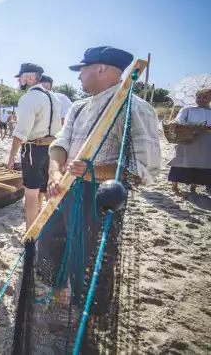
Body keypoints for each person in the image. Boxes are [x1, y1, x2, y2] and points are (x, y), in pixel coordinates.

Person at [44, 46, 161, 309]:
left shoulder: (134, 108)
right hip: (67, 189)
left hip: (100, 197)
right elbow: (60, 145)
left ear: (100, 69)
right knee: (48, 240)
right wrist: (54, 172)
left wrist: (94, 171)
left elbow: (143, 167)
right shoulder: (78, 107)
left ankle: (91, 312)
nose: (78, 77)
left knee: (91, 258)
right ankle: (59, 291)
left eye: (82, 70)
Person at [7, 63, 62, 230]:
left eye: (21, 78)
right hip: (52, 148)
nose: (20, 81)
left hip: (34, 149)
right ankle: (48, 228)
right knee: (46, 191)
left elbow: (21, 132)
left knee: (31, 193)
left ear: (30, 77)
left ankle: (31, 233)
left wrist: (11, 157)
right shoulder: (55, 98)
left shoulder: (29, 98)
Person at [167, 88, 211, 194]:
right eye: (198, 97)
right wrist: (176, 124)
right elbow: (179, 119)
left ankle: (193, 186)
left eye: (205, 97)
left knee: (200, 163)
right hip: (187, 139)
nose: (200, 99)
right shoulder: (188, 109)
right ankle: (174, 185)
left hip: (206, 141)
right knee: (181, 160)